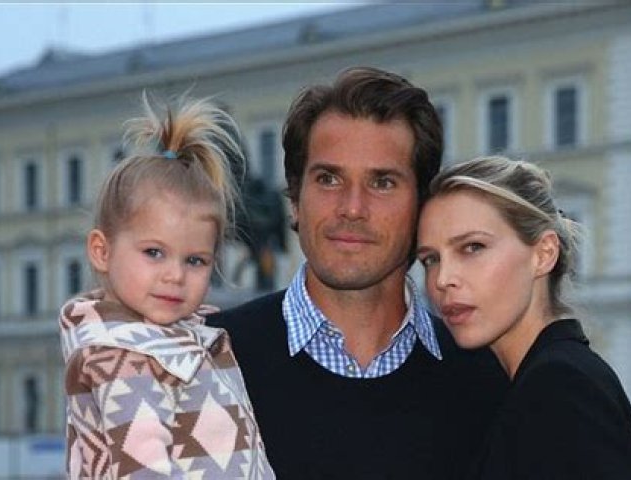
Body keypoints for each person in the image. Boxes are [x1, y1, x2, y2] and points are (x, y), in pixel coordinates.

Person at [208, 66, 508, 479]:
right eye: (329, 179)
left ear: (422, 206)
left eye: (382, 182)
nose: (352, 207)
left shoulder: (487, 379)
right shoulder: (210, 361)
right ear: (295, 200)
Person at [59, 94, 275, 479]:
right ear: (101, 251)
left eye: (195, 260)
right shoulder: (122, 358)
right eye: (154, 253)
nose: (175, 275)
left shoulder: (179, 339)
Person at [416, 155, 631, 479]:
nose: (442, 279)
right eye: (431, 259)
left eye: (472, 247)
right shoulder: (532, 381)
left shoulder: (561, 386)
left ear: (543, 254)